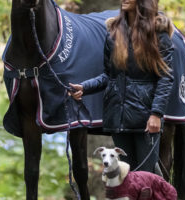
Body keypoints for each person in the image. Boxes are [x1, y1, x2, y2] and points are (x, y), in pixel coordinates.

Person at [68, 0, 174, 173]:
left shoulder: (158, 34)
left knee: (146, 179)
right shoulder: (113, 33)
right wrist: (85, 87)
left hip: (145, 119)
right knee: (127, 178)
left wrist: (156, 114)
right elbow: (109, 76)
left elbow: (166, 78)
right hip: (117, 117)